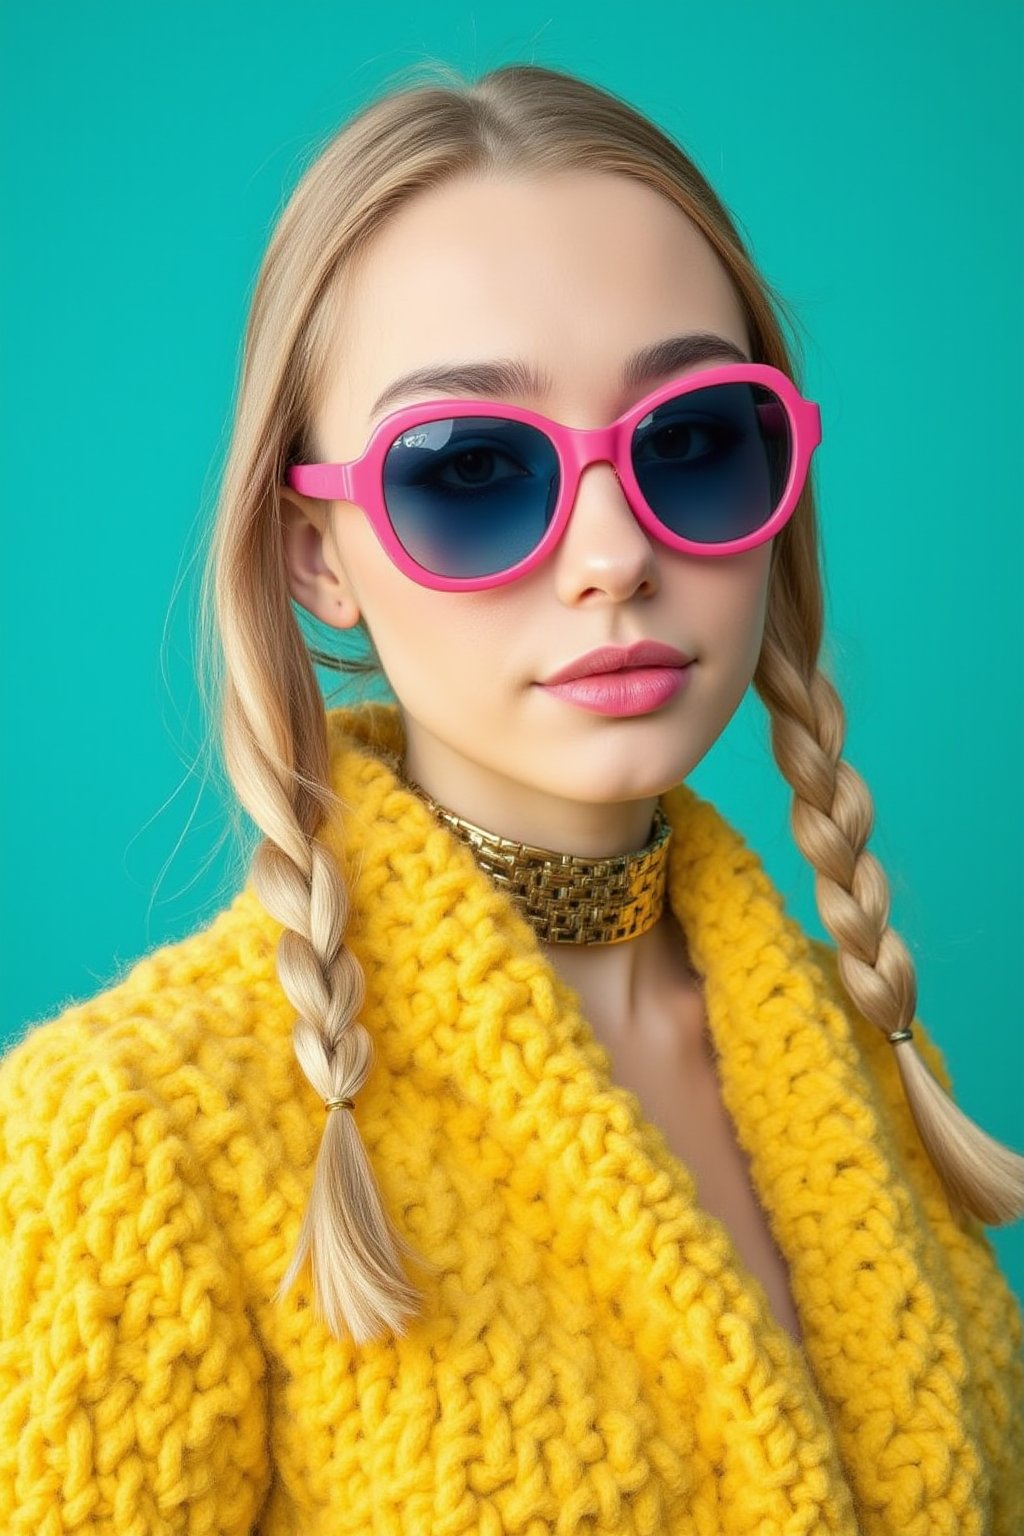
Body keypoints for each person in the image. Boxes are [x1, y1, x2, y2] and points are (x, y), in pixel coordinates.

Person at [0, 61, 1021, 1536]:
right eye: (472, 469)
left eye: (689, 441)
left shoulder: (864, 1068)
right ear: (314, 554)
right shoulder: (122, 1143)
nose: (612, 552)